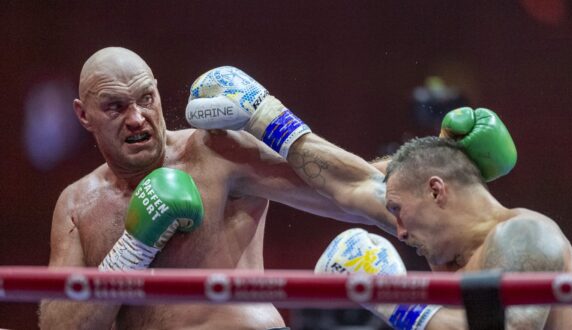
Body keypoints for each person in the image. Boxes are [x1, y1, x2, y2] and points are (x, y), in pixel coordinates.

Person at [38, 47, 402, 329]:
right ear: (84, 115)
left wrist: (428, 166)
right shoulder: (77, 203)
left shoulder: (214, 152)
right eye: (115, 107)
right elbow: (59, 325)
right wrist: (132, 250)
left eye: (146, 99)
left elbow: (347, 187)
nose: (136, 118)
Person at [315, 137, 572, 329]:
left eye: (397, 209)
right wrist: (272, 118)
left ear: (436, 190)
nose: (398, 232)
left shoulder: (526, 232)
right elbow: (347, 183)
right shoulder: (448, 255)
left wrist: (387, 294)